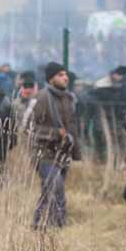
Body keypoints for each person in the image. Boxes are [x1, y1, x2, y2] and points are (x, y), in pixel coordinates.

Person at [30, 62, 81, 230]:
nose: (65, 77)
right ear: (51, 79)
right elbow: (27, 126)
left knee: (48, 192)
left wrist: (76, 152)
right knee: (56, 188)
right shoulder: (41, 97)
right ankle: (59, 227)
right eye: (60, 74)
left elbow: (72, 127)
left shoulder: (70, 98)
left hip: (63, 153)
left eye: (65, 74)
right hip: (43, 153)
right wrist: (54, 133)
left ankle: (39, 225)